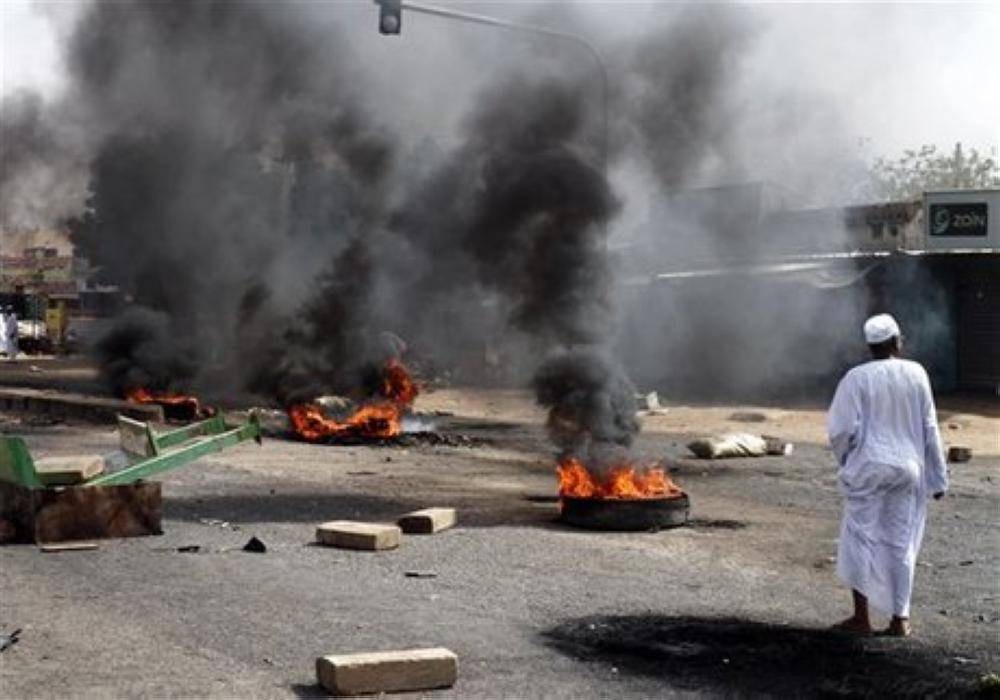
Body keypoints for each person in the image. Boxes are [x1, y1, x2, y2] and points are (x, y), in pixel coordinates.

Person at [827, 313, 948, 637]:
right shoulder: (916, 373)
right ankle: (900, 619)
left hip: (868, 467)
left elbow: (840, 430)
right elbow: (930, 428)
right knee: (900, 542)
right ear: (897, 342)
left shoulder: (856, 378)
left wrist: (848, 460)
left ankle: (862, 618)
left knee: (860, 539)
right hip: (908, 469)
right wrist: (938, 479)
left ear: (869, 346)